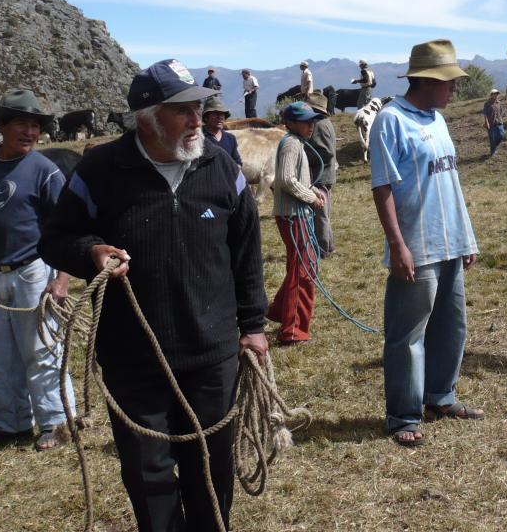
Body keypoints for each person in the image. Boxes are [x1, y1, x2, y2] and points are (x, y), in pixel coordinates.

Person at [38, 59, 266, 532]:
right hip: (133, 355)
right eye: (182, 110)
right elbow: (56, 239)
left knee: (211, 468)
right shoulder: (101, 169)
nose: (196, 120)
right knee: (149, 475)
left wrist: (254, 327)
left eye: (198, 108)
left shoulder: (220, 166)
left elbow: (247, 253)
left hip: (212, 353)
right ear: (147, 118)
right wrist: (91, 251)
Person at [368, 39, 481, 447]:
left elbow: (449, 180)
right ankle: (403, 415)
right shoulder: (391, 120)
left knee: (452, 327)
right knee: (408, 334)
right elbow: (382, 188)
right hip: (417, 245)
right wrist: (398, 245)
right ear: (428, 80)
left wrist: (467, 237)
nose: (455, 90)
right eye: (449, 82)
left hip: (451, 242)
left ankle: (441, 396)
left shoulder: (438, 119)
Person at [0, 89, 76, 452]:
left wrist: (61, 279)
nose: (29, 132)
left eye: (35, 126)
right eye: (21, 124)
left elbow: (66, 229)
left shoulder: (45, 171)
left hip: (33, 270)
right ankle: (9, 424)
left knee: (41, 349)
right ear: (3, 127)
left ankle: (54, 423)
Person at [267, 102, 326, 344]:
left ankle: (279, 312)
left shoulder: (296, 142)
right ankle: (293, 331)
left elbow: (293, 179)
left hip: (295, 214)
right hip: (293, 216)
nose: (311, 125)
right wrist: (311, 197)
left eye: (312, 120)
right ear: (290, 123)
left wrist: (313, 190)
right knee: (304, 269)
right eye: (305, 121)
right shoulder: (291, 143)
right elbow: (286, 180)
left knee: (300, 266)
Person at [305, 92, 338, 257]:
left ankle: (322, 250)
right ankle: (328, 246)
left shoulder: (319, 125)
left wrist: (303, 155)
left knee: (320, 215)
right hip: (325, 175)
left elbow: (326, 153)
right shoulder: (325, 122)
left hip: (320, 176)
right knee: (323, 214)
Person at [202, 94, 242, 166]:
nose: (220, 117)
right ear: (206, 117)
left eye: (222, 114)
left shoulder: (230, 139)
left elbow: (237, 162)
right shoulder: (199, 138)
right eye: (215, 113)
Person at [482, 88, 505, 158]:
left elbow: (501, 111)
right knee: (492, 139)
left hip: (499, 123)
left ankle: (495, 147)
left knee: (502, 135)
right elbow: (485, 114)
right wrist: (486, 122)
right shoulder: (487, 104)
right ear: (491, 95)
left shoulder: (499, 103)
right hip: (491, 124)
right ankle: (493, 152)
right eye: (495, 94)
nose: (496, 95)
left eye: (497, 94)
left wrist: (501, 117)